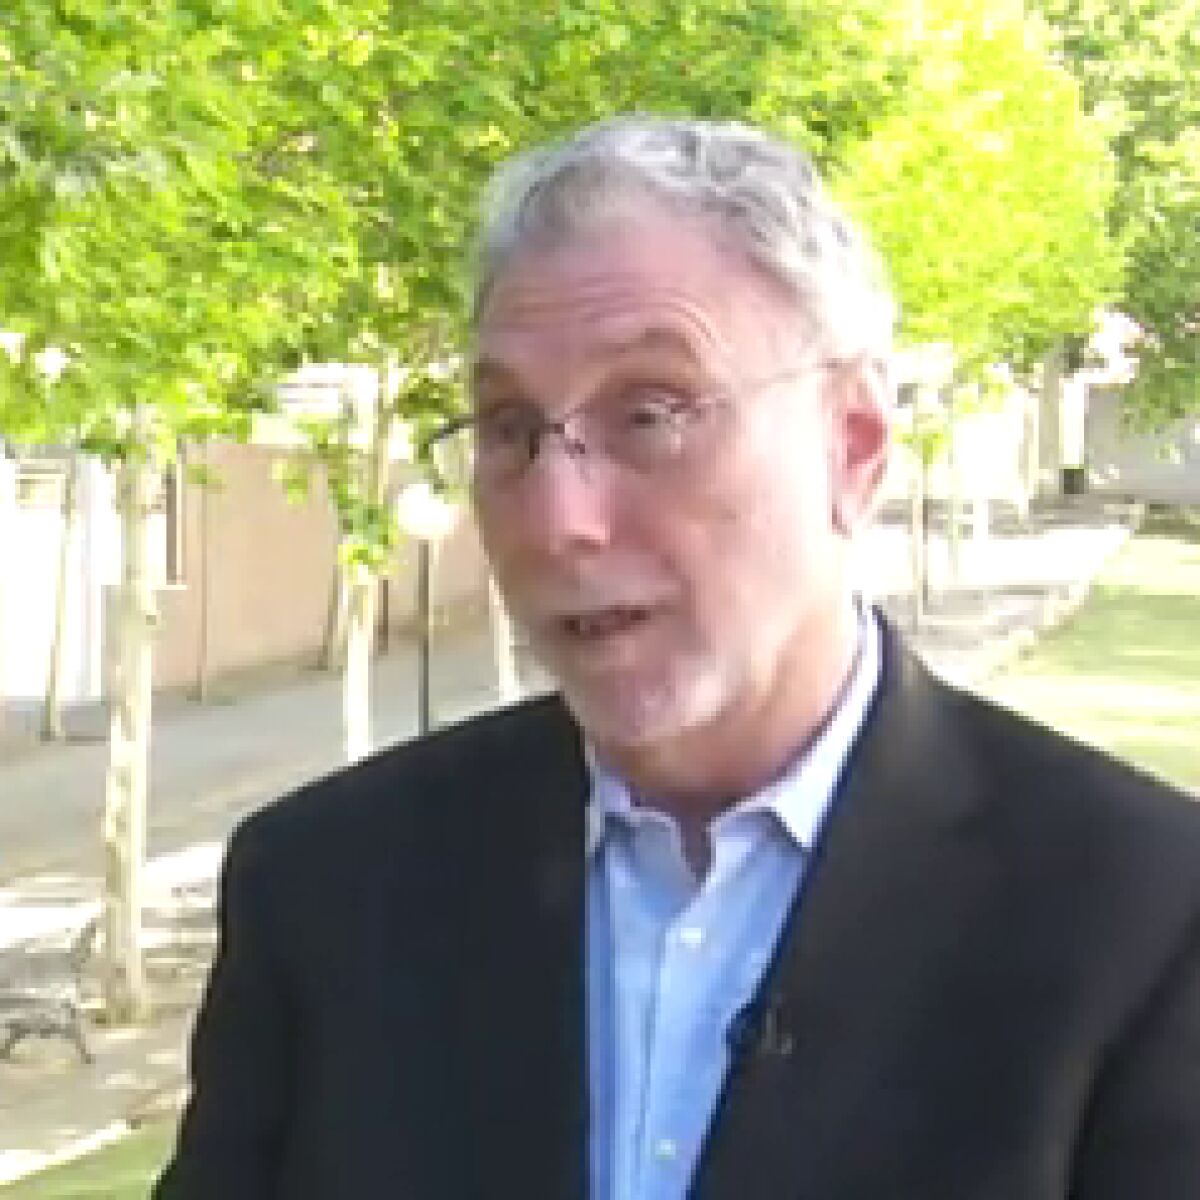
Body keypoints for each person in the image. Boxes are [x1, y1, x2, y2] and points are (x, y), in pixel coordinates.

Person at [154, 116, 1200, 1200]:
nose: (559, 519)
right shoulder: (321, 888)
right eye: (509, 427)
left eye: (651, 414)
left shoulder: (1143, 915)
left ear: (852, 447)